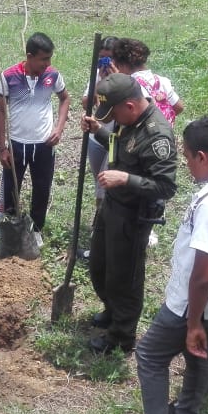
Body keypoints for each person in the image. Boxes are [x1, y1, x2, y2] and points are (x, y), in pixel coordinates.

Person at [113, 116, 208, 414]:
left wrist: (193, 320)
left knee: (151, 356)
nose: (184, 162)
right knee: (199, 356)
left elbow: (202, 273)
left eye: (185, 156)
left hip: (191, 304)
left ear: (202, 157)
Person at [80, 73, 177, 354]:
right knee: (100, 266)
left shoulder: (156, 134)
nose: (114, 119)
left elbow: (166, 186)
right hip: (112, 206)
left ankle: (122, 336)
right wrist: (99, 130)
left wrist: (125, 179)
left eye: (114, 114)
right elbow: (119, 147)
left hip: (133, 215)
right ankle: (112, 311)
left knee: (125, 277)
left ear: (131, 106)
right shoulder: (128, 123)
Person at [0, 32, 70, 250]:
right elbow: (1, 112)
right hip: (17, 144)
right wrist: (2, 147)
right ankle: (7, 225)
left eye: (50, 58)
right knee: (12, 186)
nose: (47, 64)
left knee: (43, 187)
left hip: (44, 144)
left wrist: (58, 129)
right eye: (43, 59)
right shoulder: (9, 77)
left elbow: (65, 98)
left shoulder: (52, 75)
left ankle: (36, 229)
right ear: (29, 56)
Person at [110, 37, 186, 248]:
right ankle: (149, 229)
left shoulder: (131, 85)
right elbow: (179, 106)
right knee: (157, 177)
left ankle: (138, 231)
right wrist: (165, 121)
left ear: (122, 64)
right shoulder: (162, 81)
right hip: (162, 141)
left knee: (143, 183)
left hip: (139, 141)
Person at [77, 35, 118, 262]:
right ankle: (99, 227)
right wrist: (100, 83)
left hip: (114, 137)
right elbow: (87, 103)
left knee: (105, 184)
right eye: (100, 58)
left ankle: (101, 234)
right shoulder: (97, 76)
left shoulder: (124, 80)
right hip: (95, 137)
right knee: (99, 183)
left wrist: (113, 80)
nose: (103, 63)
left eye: (108, 59)